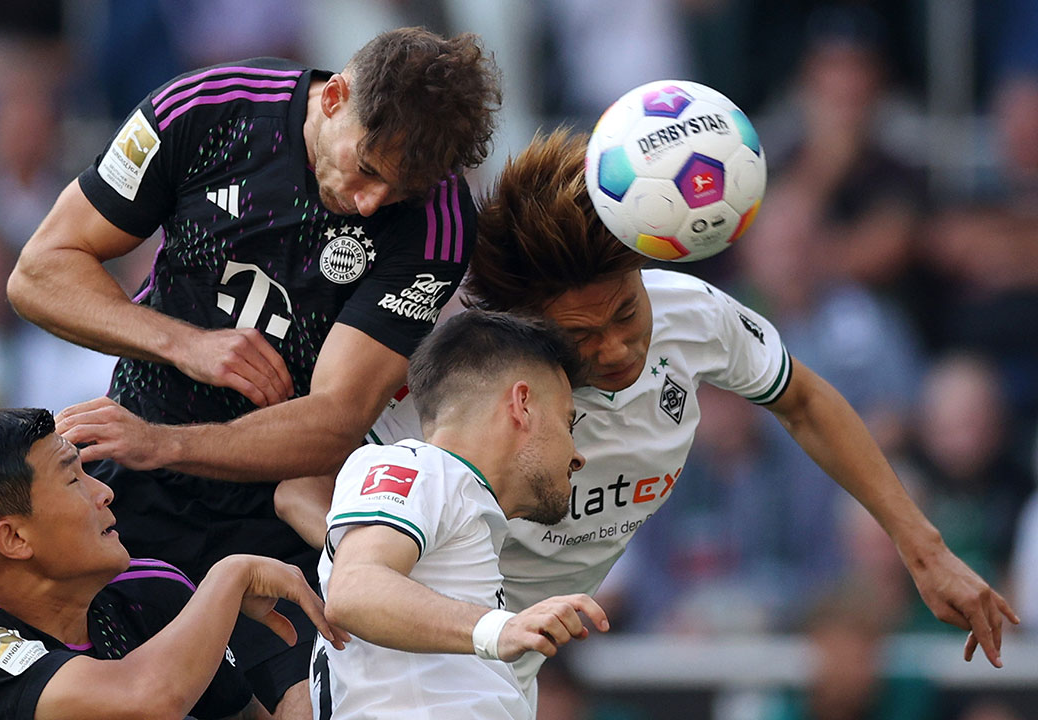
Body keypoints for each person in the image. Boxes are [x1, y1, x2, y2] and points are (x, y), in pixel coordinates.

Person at [276, 129, 1019, 709]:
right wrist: (392, 559)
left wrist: (923, 548)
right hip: (413, 662)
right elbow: (301, 489)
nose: (620, 347)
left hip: (506, 670)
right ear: (524, 330)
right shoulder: (451, 384)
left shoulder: (692, 317)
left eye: (627, 314)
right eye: (583, 336)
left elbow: (805, 400)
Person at [8, 26, 500, 717]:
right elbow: (39, 274)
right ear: (334, 98)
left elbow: (333, 423)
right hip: (125, 494)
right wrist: (183, 344)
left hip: (272, 511)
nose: (369, 203)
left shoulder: (437, 222)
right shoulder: (206, 111)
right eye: (366, 168)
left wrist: (168, 442)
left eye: (396, 189)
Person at [0, 407, 343, 720]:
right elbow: (143, 698)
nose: (104, 491)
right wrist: (230, 575)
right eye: (72, 480)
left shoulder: (152, 593)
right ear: (14, 538)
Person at [310, 310, 609, 719]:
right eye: (568, 422)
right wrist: (499, 628)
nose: (577, 455)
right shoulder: (418, 465)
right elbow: (354, 590)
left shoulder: (455, 502)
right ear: (522, 405)